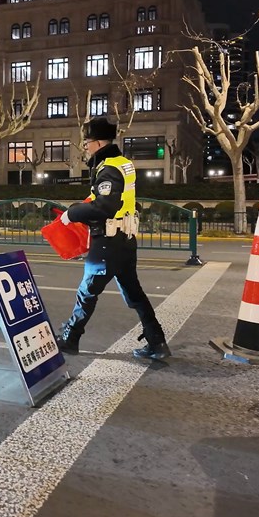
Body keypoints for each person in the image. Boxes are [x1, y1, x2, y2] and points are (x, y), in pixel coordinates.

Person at [56, 117, 171, 360]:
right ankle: (157, 341)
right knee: (135, 294)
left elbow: (105, 207)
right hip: (125, 241)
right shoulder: (124, 163)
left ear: (99, 143)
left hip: (108, 242)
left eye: (87, 142)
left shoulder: (108, 168)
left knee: (87, 292)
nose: (85, 147)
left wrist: (72, 213)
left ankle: (70, 338)